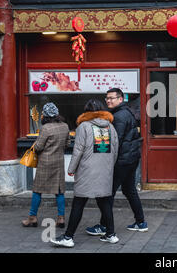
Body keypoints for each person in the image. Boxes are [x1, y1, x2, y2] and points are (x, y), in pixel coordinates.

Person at [50, 99, 119, 248]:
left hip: (87, 170)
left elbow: (78, 150)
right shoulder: (110, 127)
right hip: (105, 170)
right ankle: (111, 234)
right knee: (105, 202)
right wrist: (108, 167)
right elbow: (115, 150)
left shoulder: (84, 127)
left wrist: (71, 169)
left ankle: (68, 237)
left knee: (79, 203)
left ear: (86, 111)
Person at [86, 88, 146, 236]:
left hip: (122, 160)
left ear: (120, 99)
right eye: (107, 98)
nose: (108, 100)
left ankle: (104, 226)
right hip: (131, 158)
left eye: (112, 98)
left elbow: (115, 140)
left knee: (107, 193)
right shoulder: (126, 112)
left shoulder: (118, 116)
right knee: (129, 190)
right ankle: (140, 222)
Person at [22, 102, 70, 228]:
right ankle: (61, 218)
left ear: (46, 115)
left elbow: (38, 147)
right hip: (59, 162)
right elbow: (67, 144)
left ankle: (32, 217)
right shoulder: (65, 126)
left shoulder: (46, 128)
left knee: (37, 190)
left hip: (45, 163)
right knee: (59, 191)